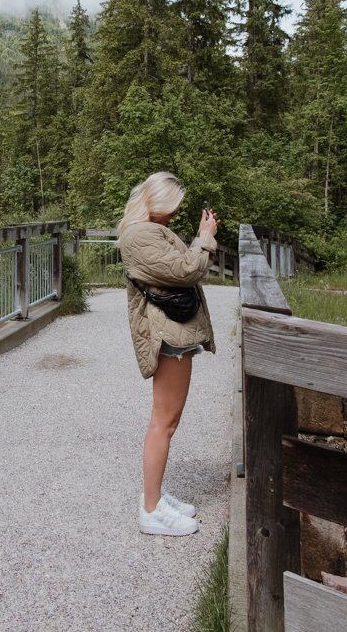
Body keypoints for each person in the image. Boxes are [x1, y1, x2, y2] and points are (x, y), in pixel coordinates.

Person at [117, 171, 219, 536]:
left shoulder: (151, 230)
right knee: (165, 421)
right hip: (168, 338)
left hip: (174, 333)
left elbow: (185, 268)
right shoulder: (141, 235)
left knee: (166, 420)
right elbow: (187, 270)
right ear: (156, 203)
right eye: (172, 207)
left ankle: (156, 497)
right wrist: (205, 238)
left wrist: (201, 238)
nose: (175, 214)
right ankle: (150, 509)